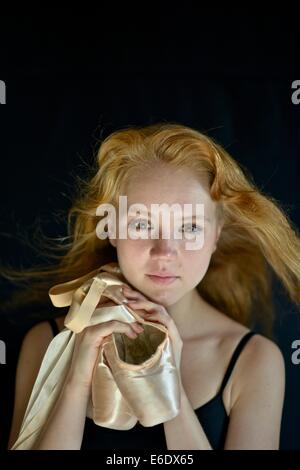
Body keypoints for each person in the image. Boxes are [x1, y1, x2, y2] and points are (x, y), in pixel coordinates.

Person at [5, 122, 300, 450]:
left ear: (216, 235)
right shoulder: (46, 342)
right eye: (142, 224)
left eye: (190, 227)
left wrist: (167, 384)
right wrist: (74, 379)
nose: (164, 253)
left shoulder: (255, 360)